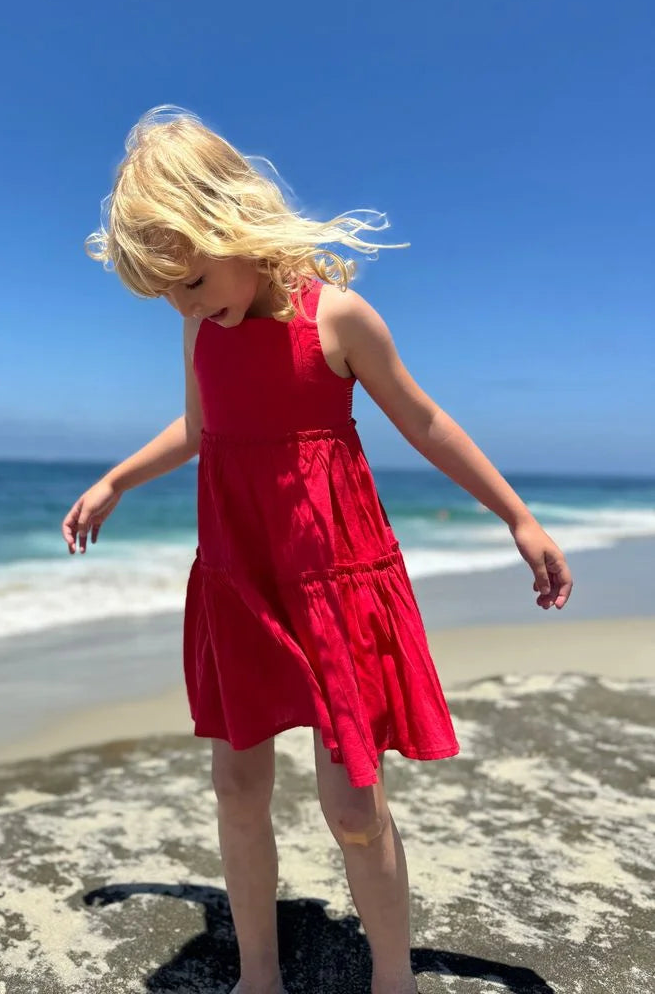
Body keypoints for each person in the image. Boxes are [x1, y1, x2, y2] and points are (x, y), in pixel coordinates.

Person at [61, 105, 573, 994]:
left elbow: (424, 420)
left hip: (333, 576)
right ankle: (259, 973)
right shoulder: (200, 328)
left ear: (231, 224)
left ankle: (391, 976)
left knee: (353, 807)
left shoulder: (338, 319)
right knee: (236, 784)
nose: (187, 306)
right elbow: (199, 423)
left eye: (189, 282)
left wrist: (517, 518)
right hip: (241, 575)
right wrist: (116, 480)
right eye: (170, 295)